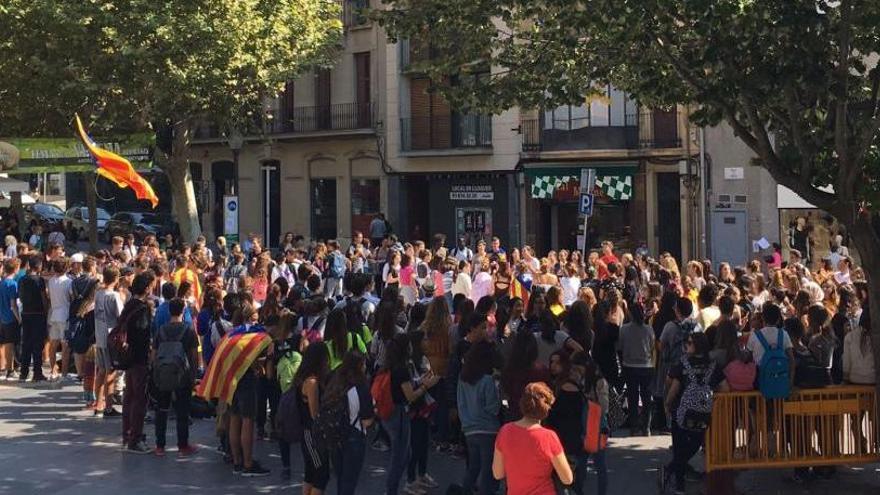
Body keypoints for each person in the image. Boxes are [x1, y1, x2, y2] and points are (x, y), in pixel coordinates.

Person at [662, 332, 729, 495]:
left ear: (696, 345)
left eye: (689, 343)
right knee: (695, 443)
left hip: (681, 412)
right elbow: (725, 388)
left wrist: (667, 403)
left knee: (678, 447)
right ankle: (674, 470)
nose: (687, 345)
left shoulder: (683, 364)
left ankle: (678, 483)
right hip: (702, 415)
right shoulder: (713, 365)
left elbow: (673, 386)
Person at [383, 333, 440, 495]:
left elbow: (408, 386)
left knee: (404, 453)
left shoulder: (394, 365)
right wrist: (426, 386)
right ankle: (392, 489)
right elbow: (410, 396)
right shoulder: (401, 369)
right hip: (399, 413)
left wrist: (421, 381)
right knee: (400, 456)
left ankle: (397, 486)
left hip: (395, 413)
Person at [493, 382, 574, 495]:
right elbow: (567, 478)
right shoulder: (549, 437)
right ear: (546, 408)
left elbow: (498, 473)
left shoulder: (505, 431)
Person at [152, 298, 199, 457]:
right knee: (182, 411)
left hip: (163, 374)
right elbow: (193, 357)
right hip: (182, 375)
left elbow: (154, 354)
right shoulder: (189, 331)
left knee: (162, 410)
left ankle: (160, 445)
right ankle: (182, 445)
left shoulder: (161, 331)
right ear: (183, 310)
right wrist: (193, 377)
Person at [326, 351, 375, 495]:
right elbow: (367, 421)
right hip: (354, 436)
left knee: (340, 477)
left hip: (334, 435)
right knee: (350, 480)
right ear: (360, 366)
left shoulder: (334, 385)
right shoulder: (362, 388)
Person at [120, 271, 156, 454]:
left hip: (127, 357)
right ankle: (135, 438)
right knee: (139, 399)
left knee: (129, 397)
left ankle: (127, 435)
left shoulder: (129, 304)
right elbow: (142, 335)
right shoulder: (142, 308)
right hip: (139, 358)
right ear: (147, 287)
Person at [458, 340, 500, 495]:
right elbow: (493, 408)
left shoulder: (463, 378)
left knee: (473, 468)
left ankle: (465, 491)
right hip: (488, 429)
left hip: (469, 427)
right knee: (488, 471)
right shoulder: (488, 380)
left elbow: (460, 403)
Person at [296, 343, 331, 494]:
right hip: (312, 433)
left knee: (311, 472)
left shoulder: (304, 377)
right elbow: (314, 413)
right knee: (321, 473)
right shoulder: (312, 382)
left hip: (308, 432)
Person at [618, 303, 655, 435]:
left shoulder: (624, 329)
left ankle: (633, 426)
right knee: (646, 397)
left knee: (632, 397)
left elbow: (620, 347)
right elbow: (652, 346)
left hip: (630, 365)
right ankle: (646, 426)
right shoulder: (648, 329)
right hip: (646, 365)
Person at [94, 266, 124, 417]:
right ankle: (108, 406)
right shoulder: (114, 296)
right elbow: (121, 315)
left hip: (99, 334)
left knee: (101, 370)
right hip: (110, 335)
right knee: (110, 371)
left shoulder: (98, 294)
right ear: (116, 279)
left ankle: (98, 402)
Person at [19, 256, 49, 382]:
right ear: (38, 266)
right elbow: (43, 297)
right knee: (37, 344)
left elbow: (20, 296)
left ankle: (23, 372)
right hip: (38, 313)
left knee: (26, 343)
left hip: (26, 312)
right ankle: (37, 372)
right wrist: (46, 310)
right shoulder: (39, 280)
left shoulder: (22, 279)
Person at [47, 258, 73, 380]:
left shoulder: (51, 281)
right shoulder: (69, 282)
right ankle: (64, 373)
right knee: (65, 346)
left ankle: (53, 369)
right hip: (65, 313)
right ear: (66, 268)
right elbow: (71, 297)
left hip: (54, 313)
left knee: (53, 344)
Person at [0, 260, 21, 380]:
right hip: (10, 317)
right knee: (10, 344)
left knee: (5, 343)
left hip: (2, 317)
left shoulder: (2, 282)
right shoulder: (12, 284)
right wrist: (19, 318)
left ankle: (8, 367)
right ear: (15, 268)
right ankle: (10, 369)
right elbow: (13, 305)